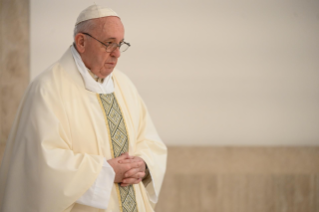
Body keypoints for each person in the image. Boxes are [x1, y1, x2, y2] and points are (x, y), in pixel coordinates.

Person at [0, 5, 167, 212]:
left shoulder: (124, 85)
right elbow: (40, 165)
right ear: (81, 42)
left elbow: (149, 141)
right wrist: (106, 172)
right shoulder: (48, 89)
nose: (117, 54)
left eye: (120, 44)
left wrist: (143, 164)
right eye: (109, 44)